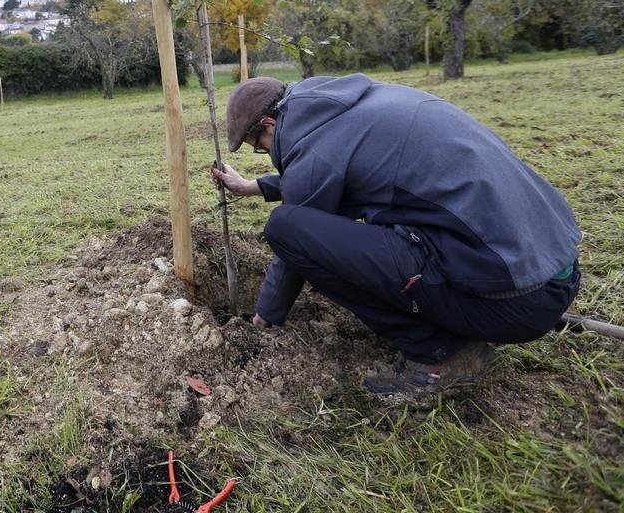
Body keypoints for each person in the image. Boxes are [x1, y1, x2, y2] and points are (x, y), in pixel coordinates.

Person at [211, 74, 581, 397]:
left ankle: (440, 354)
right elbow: (334, 172)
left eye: (257, 145)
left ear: (270, 123)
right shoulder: (355, 106)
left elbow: (298, 233)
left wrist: (266, 315)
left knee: (285, 228)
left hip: (515, 303)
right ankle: (454, 318)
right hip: (551, 272)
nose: (263, 152)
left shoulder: (317, 146)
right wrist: (253, 186)